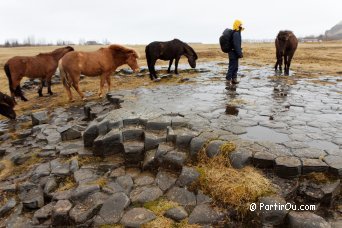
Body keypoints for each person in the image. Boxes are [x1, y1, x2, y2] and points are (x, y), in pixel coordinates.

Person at [226, 20, 244, 84]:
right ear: (237, 25)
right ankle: (228, 80)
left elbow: (237, 45)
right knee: (232, 67)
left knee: (235, 67)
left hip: (234, 53)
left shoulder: (237, 33)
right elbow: (236, 45)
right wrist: (240, 54)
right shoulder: (236, 34)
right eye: (240, 25)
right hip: (233, 53)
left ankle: (234, 79)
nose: (241, 26)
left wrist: (239, 53)